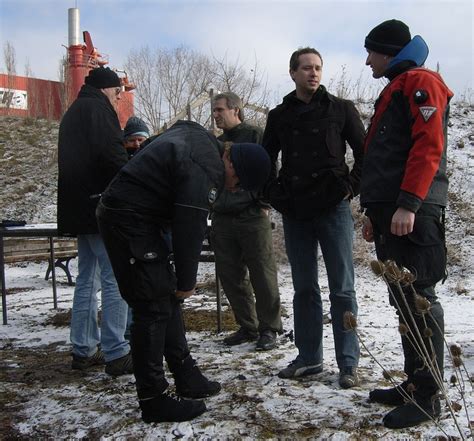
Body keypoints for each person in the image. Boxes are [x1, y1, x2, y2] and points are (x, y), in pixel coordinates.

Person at [96, 120, 271, 423]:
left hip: (135, 214)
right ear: (233, 164)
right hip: (129, 219)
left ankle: (185, 374)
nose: (234, 188)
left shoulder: (199, 137)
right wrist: (187, 282)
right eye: (239, 183)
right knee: (152, 306)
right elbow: (190, 223)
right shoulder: (207, 168)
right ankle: (153, 399)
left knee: (165, 296)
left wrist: (176, 284)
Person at [361, 19, 453, 429]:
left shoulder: (421, 81)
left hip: (413, 210)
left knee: (418, 296)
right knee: (402, 299)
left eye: (371, 52)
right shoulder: (397, 87)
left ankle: (429, 396)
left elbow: (428, 145)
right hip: (393, 211)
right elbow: (385, 157)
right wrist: (374, 213)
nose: (367, 61)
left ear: (388, 51)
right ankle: (415, 383)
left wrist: (409, 203)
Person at [262, 47, 364, 388]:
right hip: (296, 211)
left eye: (318, 67)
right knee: (304, 288)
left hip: (334, 207)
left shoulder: (341, 109)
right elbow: (265, 160)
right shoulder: (279, 115)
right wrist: (274, 194)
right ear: (293, 73)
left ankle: (348, 362)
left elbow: (366, 154)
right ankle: (309, 358)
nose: (314, 73)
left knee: (342, 288)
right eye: (306, 68)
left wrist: (350, 188)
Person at [57, 67, 132, 376]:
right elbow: (112, 157)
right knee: (116, 276)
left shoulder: (73, 112)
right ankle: (117, 350)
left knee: (87, 278)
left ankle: (83, 347)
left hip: (78, 208)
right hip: (101, 206)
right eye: (116, 93)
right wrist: (132, 182)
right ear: (106, 90)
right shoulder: (100, 111)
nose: (117, 99)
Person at [211, 92, 282, 351]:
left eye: (220, 110)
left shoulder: (254, 135)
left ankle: (269, 328)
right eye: (214, 110)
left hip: (252, 214)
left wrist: (263, 202)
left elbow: (270, 168)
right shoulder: (216, 143)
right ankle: (248, 326)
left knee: (262, 273)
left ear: (236, 110)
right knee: (230, 275)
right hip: (222, 216)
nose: (215, 115)